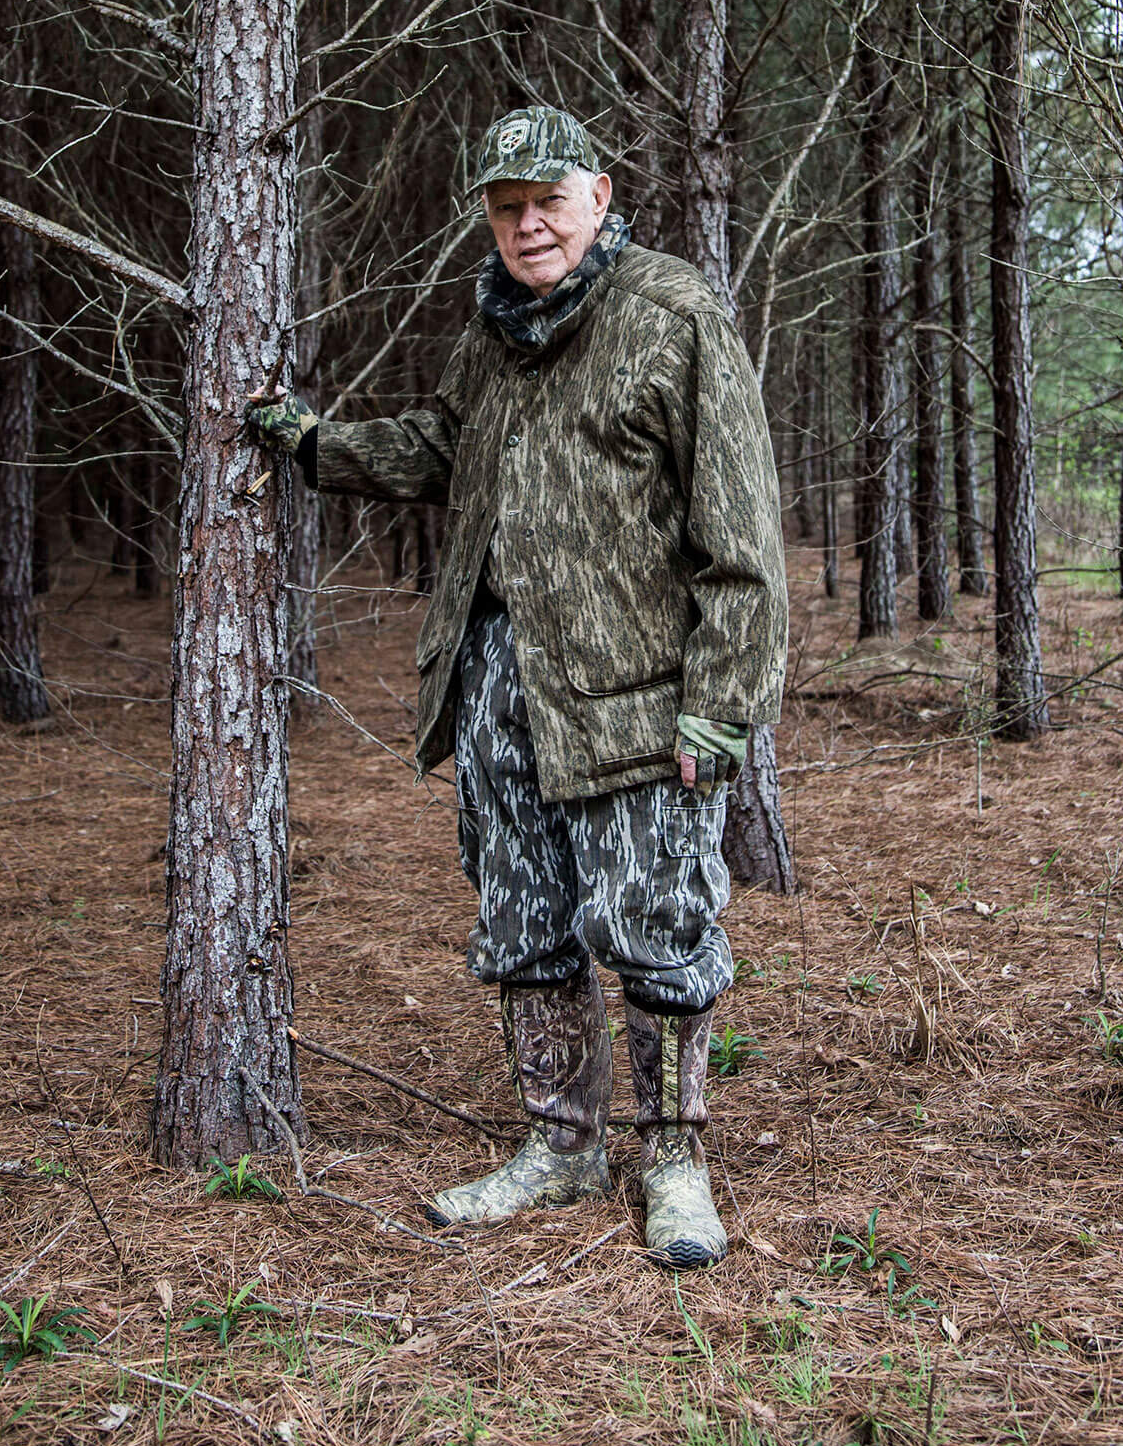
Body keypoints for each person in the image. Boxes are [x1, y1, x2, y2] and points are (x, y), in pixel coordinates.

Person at [245, 105, 787, 1268]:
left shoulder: (674, 313)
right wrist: (315, 447)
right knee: (524, 926)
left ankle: (675, 1162)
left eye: (547, 200)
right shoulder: (490, 331)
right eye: (505, 207)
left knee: (657, 926)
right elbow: (445, 447)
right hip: (500, 686)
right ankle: (561, 1147)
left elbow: (742, 537)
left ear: (599, 195)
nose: (527, 223)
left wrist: (723, 702)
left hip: (640, 699)